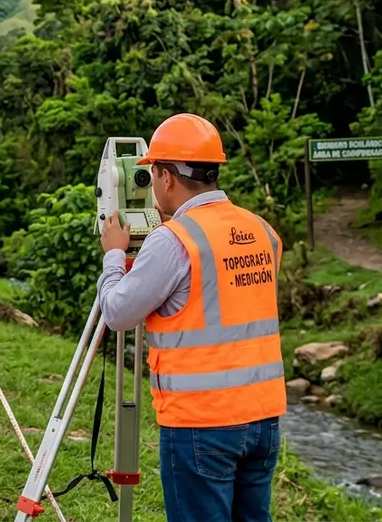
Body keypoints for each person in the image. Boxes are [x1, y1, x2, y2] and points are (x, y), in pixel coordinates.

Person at [96, 113, 285, 522]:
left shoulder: (173, 241)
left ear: (166, 177)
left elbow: (117, 313)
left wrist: (114, 254)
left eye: (153, 174)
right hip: (264, 419)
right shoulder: (262, 230)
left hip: (203, 423)